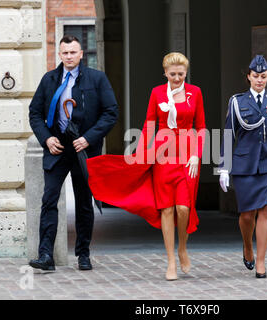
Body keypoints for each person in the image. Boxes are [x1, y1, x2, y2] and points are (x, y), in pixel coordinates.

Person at [87, 52, 206, 281]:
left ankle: (183, 248)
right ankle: (171, 260)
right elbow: (149, 124)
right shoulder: (157, 93)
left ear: (186, 73)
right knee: (167, 208)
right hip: (162, 154)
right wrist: (139, 154)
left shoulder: (195, 93)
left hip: (187, 155)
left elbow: (200, 126)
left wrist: (196, 155)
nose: (177, 78)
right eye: (173, 74)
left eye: (181, 74)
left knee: (184, 208)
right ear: (165, 73)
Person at [28, 35, 118, 271]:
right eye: (64, 53)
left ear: (81, 54)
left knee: (84, 202)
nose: (69, 56)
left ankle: (83, 254)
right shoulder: (49, 80)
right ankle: (46, 255)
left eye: (73, 52)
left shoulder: (97, 79)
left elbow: (111, 112)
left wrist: (88, 138)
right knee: (49, 200)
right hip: (57, 148)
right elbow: (35, 113)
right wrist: (47, 139)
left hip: (83, 149)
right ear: (60, 54)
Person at [219, 55, 267, 278]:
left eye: (263, 76)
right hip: (244, 163)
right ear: (248, 76)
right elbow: (228, 134)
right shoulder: (237, 102)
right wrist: (223, 166)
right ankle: (247, 246)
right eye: (255, 76)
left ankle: (261, 261)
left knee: (266, 210)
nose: (259, 80)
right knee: (247, 214)